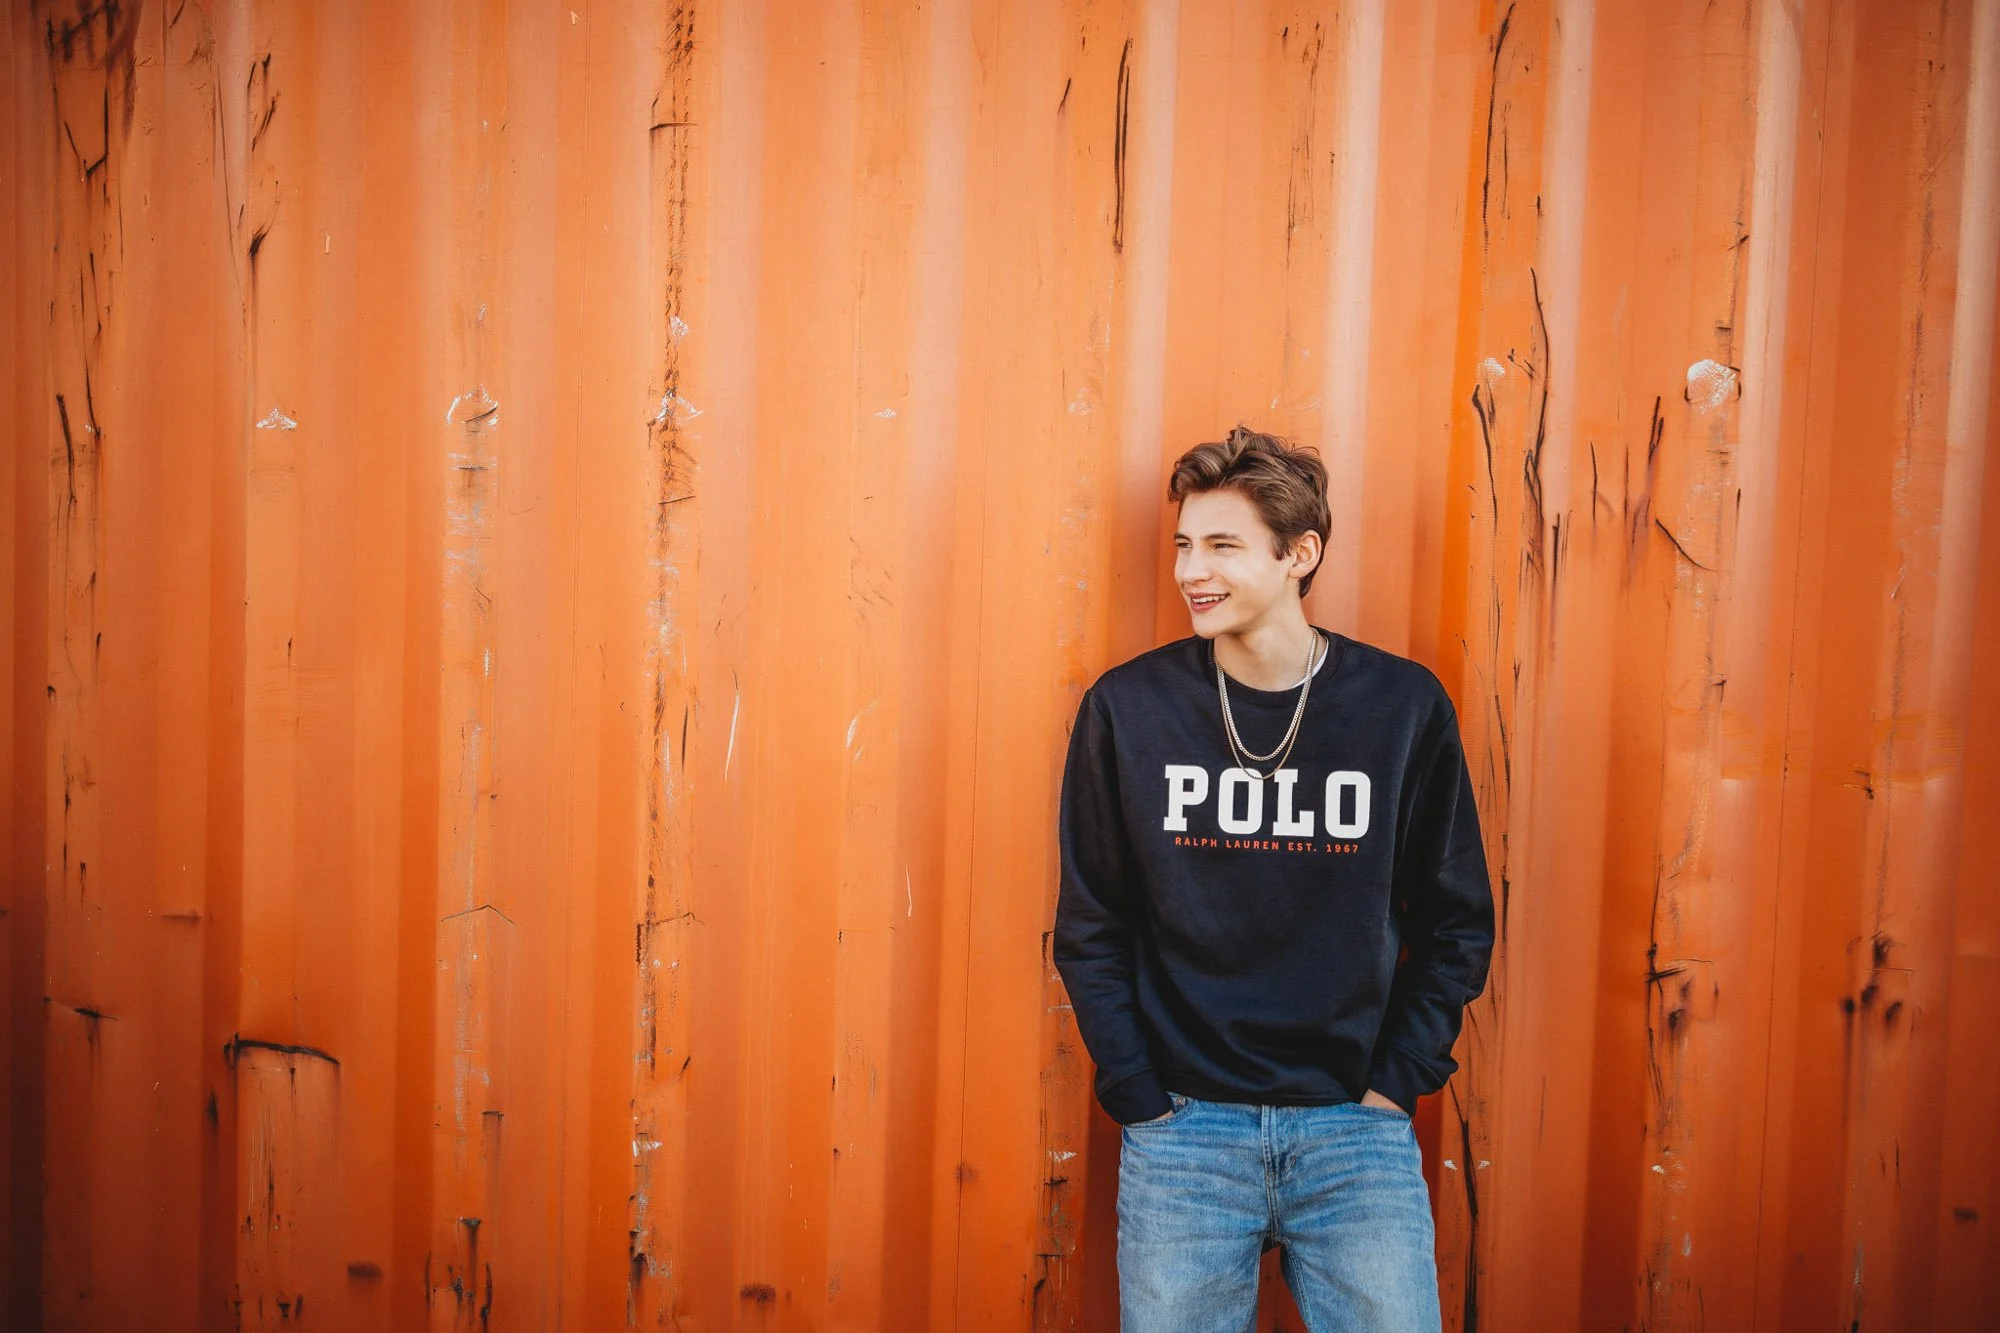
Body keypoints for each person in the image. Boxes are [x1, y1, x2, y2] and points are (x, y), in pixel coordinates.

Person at [1053, 426, 1494, 1331]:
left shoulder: (1400, 708)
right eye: (1184, 543)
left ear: (1301, 554)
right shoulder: (1129, 710)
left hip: (1353, 1132)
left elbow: (1456, 922)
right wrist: (1140, 1094)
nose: (1191, 570)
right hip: (1185, 1133)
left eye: (1222, 545)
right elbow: (1092, 923)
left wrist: (1392, 1086)